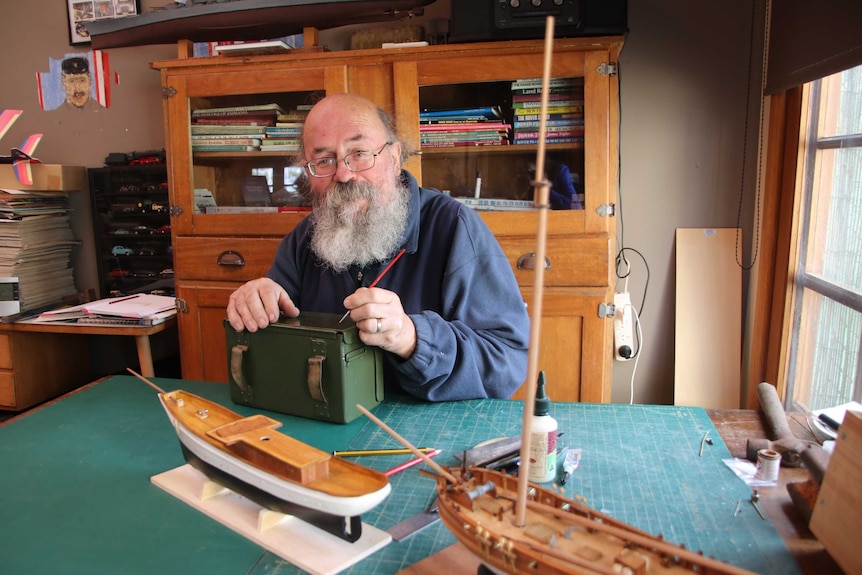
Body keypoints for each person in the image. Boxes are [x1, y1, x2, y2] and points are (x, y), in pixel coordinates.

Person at [227, 93, 530, 401]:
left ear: (394, 157)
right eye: (324, 160)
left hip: (426, 434)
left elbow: (506, 363)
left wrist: (412, 338)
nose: (343, 174)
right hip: (329, 422)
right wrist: (257, 301)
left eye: (359, 153)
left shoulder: (454, 228)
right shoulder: (304, 238)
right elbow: (275, 347)